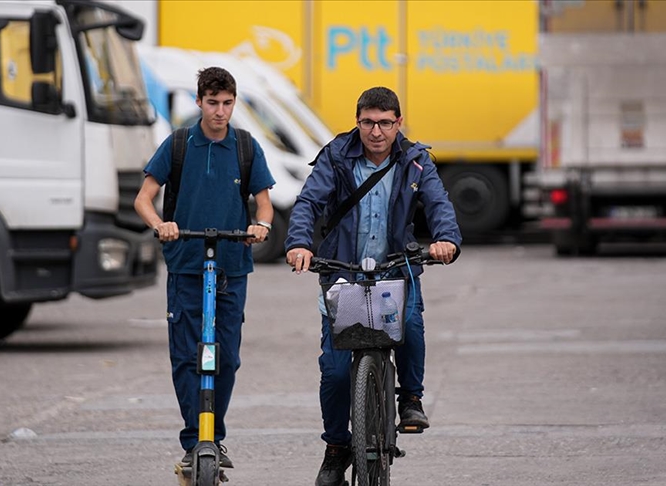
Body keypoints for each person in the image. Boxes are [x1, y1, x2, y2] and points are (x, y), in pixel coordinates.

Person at [284, 86, 461, 486]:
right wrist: (298, 244)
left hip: (395, 269)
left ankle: (410, 399)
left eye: (384, 122)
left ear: (398, 122)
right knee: (335, 373)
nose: (376, 131)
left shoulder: (415, 161)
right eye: (368, 122)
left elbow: (438, 204)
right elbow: (308, 202)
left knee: (411, 325)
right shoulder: (336, 156)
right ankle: (335, 449)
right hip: (343, 271)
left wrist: (446, 239)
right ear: (358, 122)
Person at [134, 66, 275, 469]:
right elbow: (144, 198)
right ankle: (195, 439)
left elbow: (263, 202)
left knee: (225, 357)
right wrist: (161, 224)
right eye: (212, 102)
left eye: (227, 103)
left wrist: (261, 225)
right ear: (199, 102)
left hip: (231, 264)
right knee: (186, 357)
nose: (220, 111)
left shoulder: (246, 146)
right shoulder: (179, 144)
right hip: (187, 264)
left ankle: (214, 437)